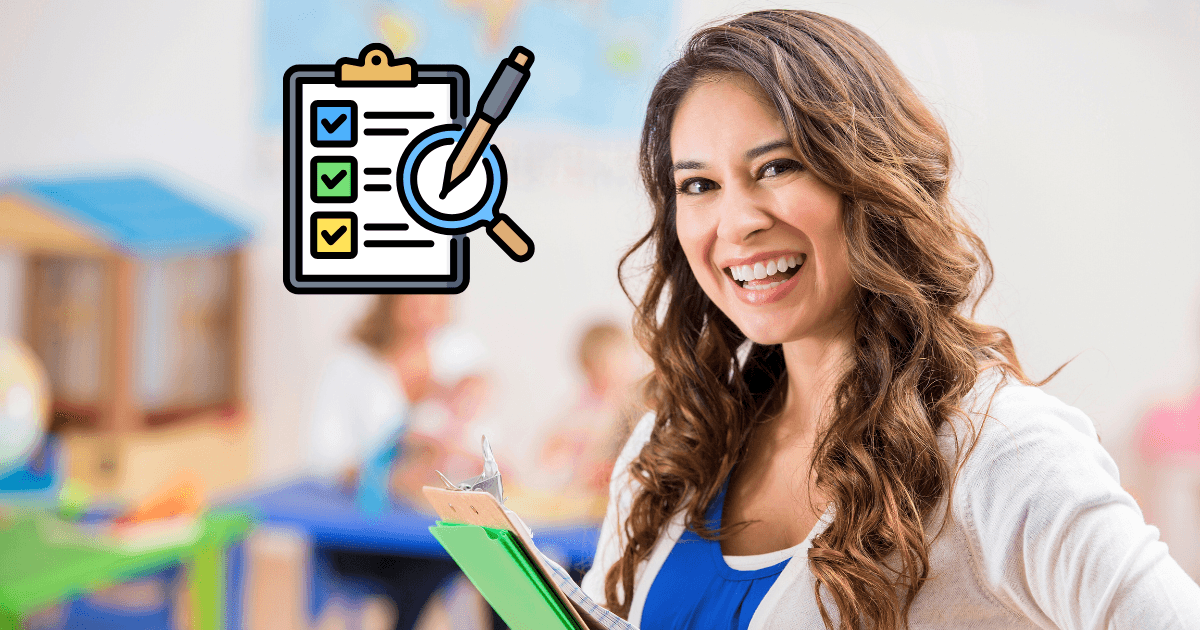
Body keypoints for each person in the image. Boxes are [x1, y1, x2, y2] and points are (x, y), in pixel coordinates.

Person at [578, 10, 1200, 630]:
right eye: (698, 185)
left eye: (777, 167)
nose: (737, 222)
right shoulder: (672, 447)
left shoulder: (998, 450)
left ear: (869, 177)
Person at [307, 293, 502, 630]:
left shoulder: (461, 357)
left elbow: (488, 442)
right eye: (415, 296)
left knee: (502, 564)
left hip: (441, 526)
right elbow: (326, 460)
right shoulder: (350, 365)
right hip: (369, 534)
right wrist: (393, 475)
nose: (426, 307)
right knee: (433, 565)